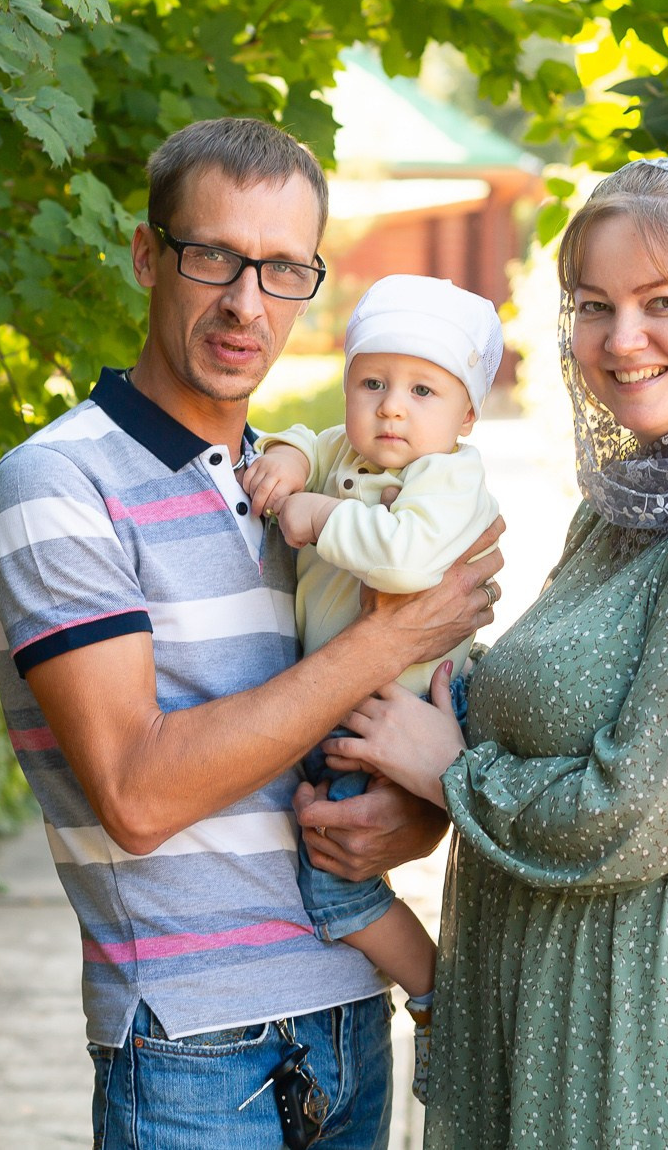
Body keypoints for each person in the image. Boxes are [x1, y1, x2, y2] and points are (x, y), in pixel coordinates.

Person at [0, 118, 507, 1150]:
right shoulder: (56, 486)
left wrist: (411, 817)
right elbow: (136, 791)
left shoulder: (312, 487)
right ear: (144, 254)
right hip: (191, 1047)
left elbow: (351, 734)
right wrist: (394, 635)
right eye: (211, 255)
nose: (245, 302)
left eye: (281, 268)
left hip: (352, 1014)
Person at [330, 158, 668, 1148]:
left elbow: (636, 811)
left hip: (660, 1038)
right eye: (592, 305)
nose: (619, 340)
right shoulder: (622, 510)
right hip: (546, 1010)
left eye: (660, 301)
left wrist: (449, 770)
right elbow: (539, 703)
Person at [240, 273, 506, 1100]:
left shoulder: (450, 477)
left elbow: (408, 560)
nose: (392, 407)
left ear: (464, 417)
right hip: (350, 699)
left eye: (422, 390)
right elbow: (298, 443)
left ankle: (436, 997)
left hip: (405, 705)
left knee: (333, 880)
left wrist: (318, 517)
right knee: (325, 852)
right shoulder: (344, 452)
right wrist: (285, 460)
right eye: (372, 382)